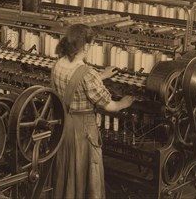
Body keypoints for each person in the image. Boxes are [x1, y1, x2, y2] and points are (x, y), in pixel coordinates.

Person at [51, 24, 135, 199]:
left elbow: (73, 83)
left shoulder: (58, 64)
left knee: (68, 168)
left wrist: (101, 76)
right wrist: (124, 103)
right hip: (83, 131)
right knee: (86, 170)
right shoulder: (88, 74)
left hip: (64, 125)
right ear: (87, 46)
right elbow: (109, 106)